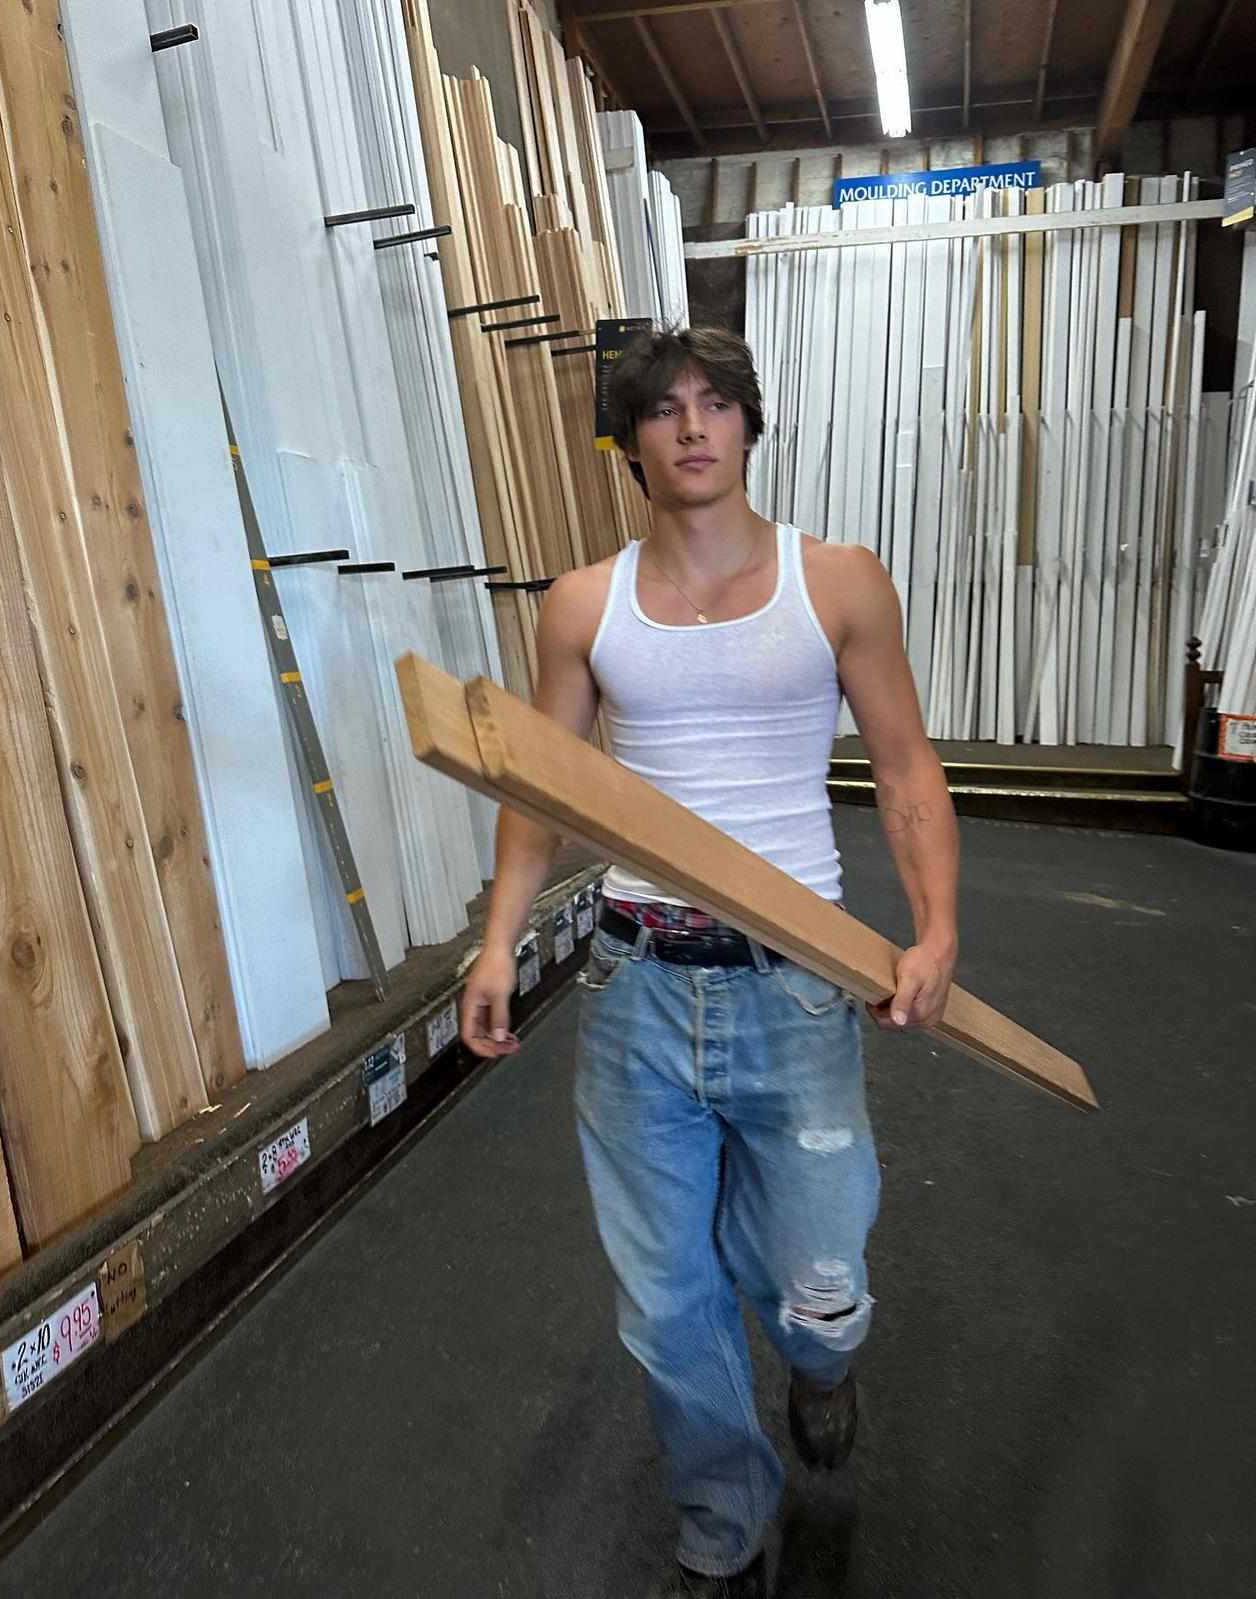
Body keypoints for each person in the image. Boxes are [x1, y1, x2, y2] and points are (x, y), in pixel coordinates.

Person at [460, 327, 959, 1596]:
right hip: (634, 982)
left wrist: (935, 928)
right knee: (665, 1296)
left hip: (794, 980)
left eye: (715, 404)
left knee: (819, 1285)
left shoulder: (835, 581)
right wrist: (498, 939)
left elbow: (903, 765)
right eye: (663, 409)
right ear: (629, 443)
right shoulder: (584, 605)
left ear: (747, 426)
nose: (691, 426)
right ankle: (720, 1528)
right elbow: (539, 789)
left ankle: (820, 1365)